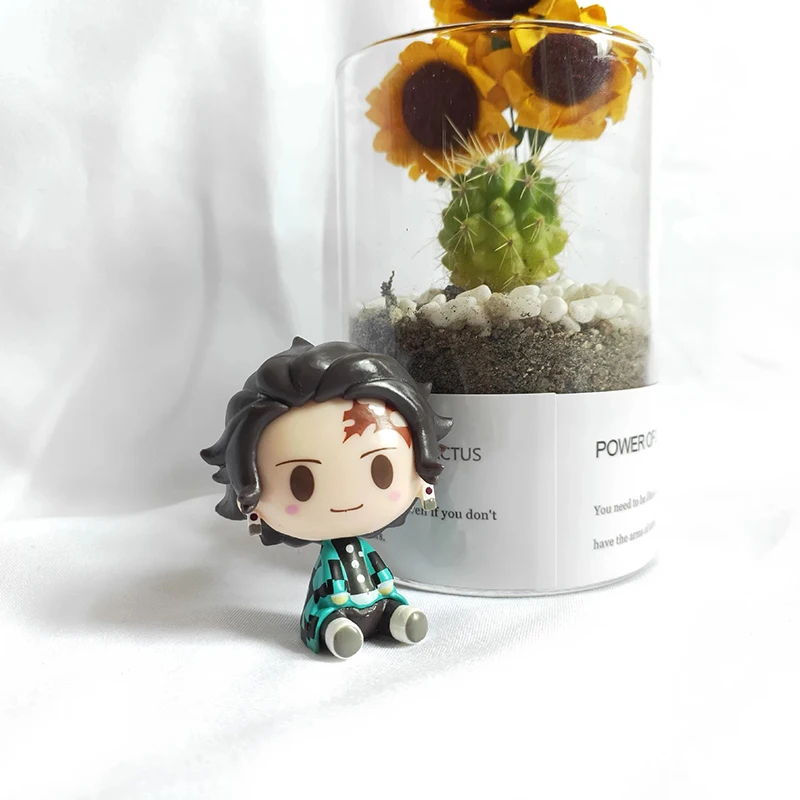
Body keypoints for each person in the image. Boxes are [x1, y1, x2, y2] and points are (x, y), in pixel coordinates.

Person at [201, 337, 452, 659]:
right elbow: (327, 581)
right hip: (334, 604)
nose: (346, 499)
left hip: (375, 597)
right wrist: (338, 595)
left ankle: (395, 617)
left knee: (391, 603)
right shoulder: (330, 558)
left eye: (382, 471)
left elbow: (379, 570)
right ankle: (337, 632)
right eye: (301, 484)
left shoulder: (367, 551)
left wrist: (385, 586)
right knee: (330, 617)